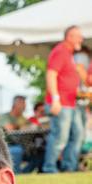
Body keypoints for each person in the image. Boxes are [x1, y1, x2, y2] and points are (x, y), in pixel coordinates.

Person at [42, 25, 84, 173]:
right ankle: (49, 168)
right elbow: (51, 75)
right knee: (60, 136)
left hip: (71, 103)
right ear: (69, 37)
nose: (81, 39)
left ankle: (69, 167)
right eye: (78, 36)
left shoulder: (69, 54)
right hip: (61, 103)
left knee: (77, 134)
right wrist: (55, 99)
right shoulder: (60, 51)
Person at [0, 95, 29, 173]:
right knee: (17, 150)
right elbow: (10, 129)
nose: (25, 106)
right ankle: (16, 173)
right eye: (23, 103)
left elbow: (28, 127)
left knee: (37, 151)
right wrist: (20, 126)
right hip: (5, 145)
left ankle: (24, 173)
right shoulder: (5, 116)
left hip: (21, 144)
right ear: (16, 104)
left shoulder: (22, 118)